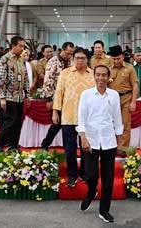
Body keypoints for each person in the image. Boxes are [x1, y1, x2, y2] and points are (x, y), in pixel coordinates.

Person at [77, 65, 123, 224]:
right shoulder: (86, 95)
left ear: (108, 77)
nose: (101, 78)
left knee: (108, 177)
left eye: (104, 75)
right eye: (98, 75)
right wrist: (83, 137)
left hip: (108, 140)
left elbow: (117, 117)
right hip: (90, 140)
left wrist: (120, 138)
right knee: (90, 175)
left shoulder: (114, 95)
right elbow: (81, 118)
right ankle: (91, 191)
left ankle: (104, 210)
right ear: (94, 76)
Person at [52, 47, 94, 187]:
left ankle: (84, 173)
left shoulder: (93, 74)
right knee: (69, 149)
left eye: (83, 58)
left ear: (87, 59)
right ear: (73, 59)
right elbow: (59, 93)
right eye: (77, 58)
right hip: (68, 116)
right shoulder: (65, 73)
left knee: (86, 149)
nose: (80, 61)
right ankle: (72, 175)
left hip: (88, 119)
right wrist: (55, 111)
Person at [0, 36, 28, 152]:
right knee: (10, 121)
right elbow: (1, 81)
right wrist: (2, 97)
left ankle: (13, 146)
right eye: (20, 46)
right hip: (9, 96)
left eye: (23, 46)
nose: (23, 48)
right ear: (13, 46)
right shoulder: (5, 59)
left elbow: (26, 78)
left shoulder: (21, 59)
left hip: (20, 96)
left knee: (18, 122)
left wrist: (27, 95)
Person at [40, 42, 74, 149]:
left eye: (71, 53)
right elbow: (47, 81)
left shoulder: (72, 61)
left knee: (66, 124)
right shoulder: (53, 61)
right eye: (68, 53)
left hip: (69, 98)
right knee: (56, 123)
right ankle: (45, 145)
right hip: (56, 97)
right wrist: (49, 99)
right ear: (62, 50)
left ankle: (66, 147)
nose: (69, 55)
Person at [106, 45, 138, 150]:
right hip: (111, 100)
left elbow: (135, 85)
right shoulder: (108, 69)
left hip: (126, 98)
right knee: (110, 124)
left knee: (125, 124)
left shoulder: (129, 68)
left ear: (123, 57)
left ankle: (123, 149)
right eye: (114, 59)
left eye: (118, 58)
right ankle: (112, 147)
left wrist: (133, 102)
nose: (116, 61)